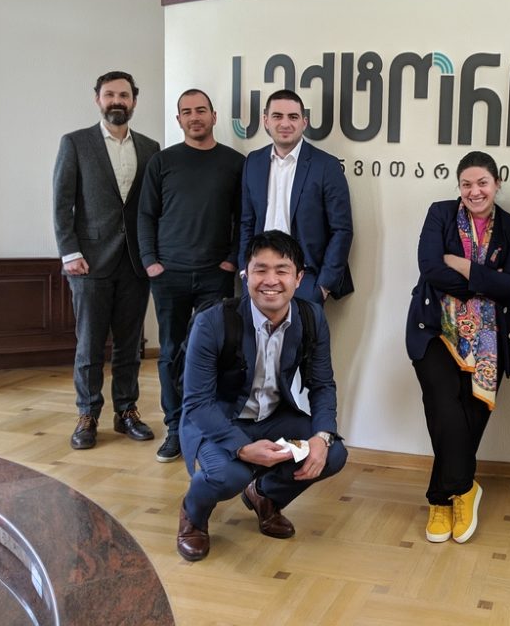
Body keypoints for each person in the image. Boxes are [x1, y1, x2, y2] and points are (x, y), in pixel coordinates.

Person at [176, 230, 347, 562]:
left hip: (272, 419)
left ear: (298, 278)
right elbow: (196, 402)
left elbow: (322, 385)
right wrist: (240, 446)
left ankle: (264, 495)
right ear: (246, 275)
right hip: (218, 422)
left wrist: (322, 437)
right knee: (230, 475)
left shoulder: (311, 317)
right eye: (260, 269)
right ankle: (193, 515)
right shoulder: (212, 322)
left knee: (333, 453)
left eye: (282, 270)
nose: (271, 280)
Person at [406, 151, 510, 544]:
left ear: (497, 183)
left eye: (482, 183)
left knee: (468, 421)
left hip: (489, 342)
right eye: (467, 184)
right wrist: (485, 280)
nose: (475, 191)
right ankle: (463, 488)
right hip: (435, 329)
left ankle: (444, 497)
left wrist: (463, 267)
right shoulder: (439, 214)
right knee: (445, 410)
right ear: (459, 186)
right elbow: (430, 267)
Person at [53, 71, 160, 450]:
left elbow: (153, 207)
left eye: (124, 95)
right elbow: (62, 201)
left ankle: (126, 411)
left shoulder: (151, 148)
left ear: (135, 100)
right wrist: (70, 251)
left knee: (130, 346)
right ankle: (88, 415)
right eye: (110, 94)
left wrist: (153, 255)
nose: (118, 100)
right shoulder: (75, 143)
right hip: (89, 264)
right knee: (90, 345)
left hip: (135, 264)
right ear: (97, 99)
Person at [137, 88, 245, 463]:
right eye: (187, 112)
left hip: (216, 274)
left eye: (201, 110)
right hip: (169, 275)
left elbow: (243, 217)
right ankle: (174, 429)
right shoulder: (162, 162)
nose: (194, 117)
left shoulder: (235, 162)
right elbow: (146, 215)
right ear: (178, 120)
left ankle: (206, 429)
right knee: (169, 353)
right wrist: (151, 260)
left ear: (214, 116)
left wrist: (233, 259)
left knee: (213, 353)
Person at [238, 89, 353, 305]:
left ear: (304, 122)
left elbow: (342, 230)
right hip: (259, 274)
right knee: (256, 338)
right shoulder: (253, 162)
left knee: (302, 339)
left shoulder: (326, 166)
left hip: (305, 277)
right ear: (265, 121)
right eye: (277, 116)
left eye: (293, 117)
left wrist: (323, 286)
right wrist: (246, 271)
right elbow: (247, 221)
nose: (285, 124)